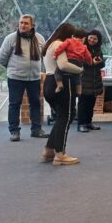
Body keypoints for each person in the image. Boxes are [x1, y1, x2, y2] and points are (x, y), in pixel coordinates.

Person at [0, 15, 49, 142]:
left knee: (36, 103)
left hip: (34, 78)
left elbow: (44, 55)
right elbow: (1, 58)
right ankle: (14, 131)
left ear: (32, 26)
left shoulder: (39, 38)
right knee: (14, 104)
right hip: (16, 78)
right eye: (21, 23)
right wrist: (13, 69)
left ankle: (36, 130)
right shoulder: (11, 38)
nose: (23, 25)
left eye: (26, 23)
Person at [41, 23, 84, 166]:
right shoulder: (60, 44)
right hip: (61, 83)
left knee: (61, 117)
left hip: (48, 81)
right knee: (66, 117)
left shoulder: (50, 44)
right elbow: (63, 65)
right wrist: (79, 69)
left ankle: (49, 150)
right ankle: (60, 154)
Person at [77, 30, 104, 133]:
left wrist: (99, 62)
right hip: (84, 79)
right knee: (83, 103)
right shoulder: (82, 48)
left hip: (95, 80)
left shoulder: (98, 50)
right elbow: (80, 63)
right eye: (91, 37)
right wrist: (91, 62)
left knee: (91, 103)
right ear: (87, 37)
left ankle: (88, 122)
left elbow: (102, 65)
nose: (92, 40)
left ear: (98, 40)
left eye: (95, 38)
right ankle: (81, 124)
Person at [53, 28, 92, 95]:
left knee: (57, 71)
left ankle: (59, 85)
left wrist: (55, 55)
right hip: (78, 62)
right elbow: (88, 56)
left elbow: (61, 47)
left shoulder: (69, 41)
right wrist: (90, 62)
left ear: (73, 36)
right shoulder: (84, 47)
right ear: (84, 38)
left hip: (70, 60)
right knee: (77, 75)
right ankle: (79, 91)